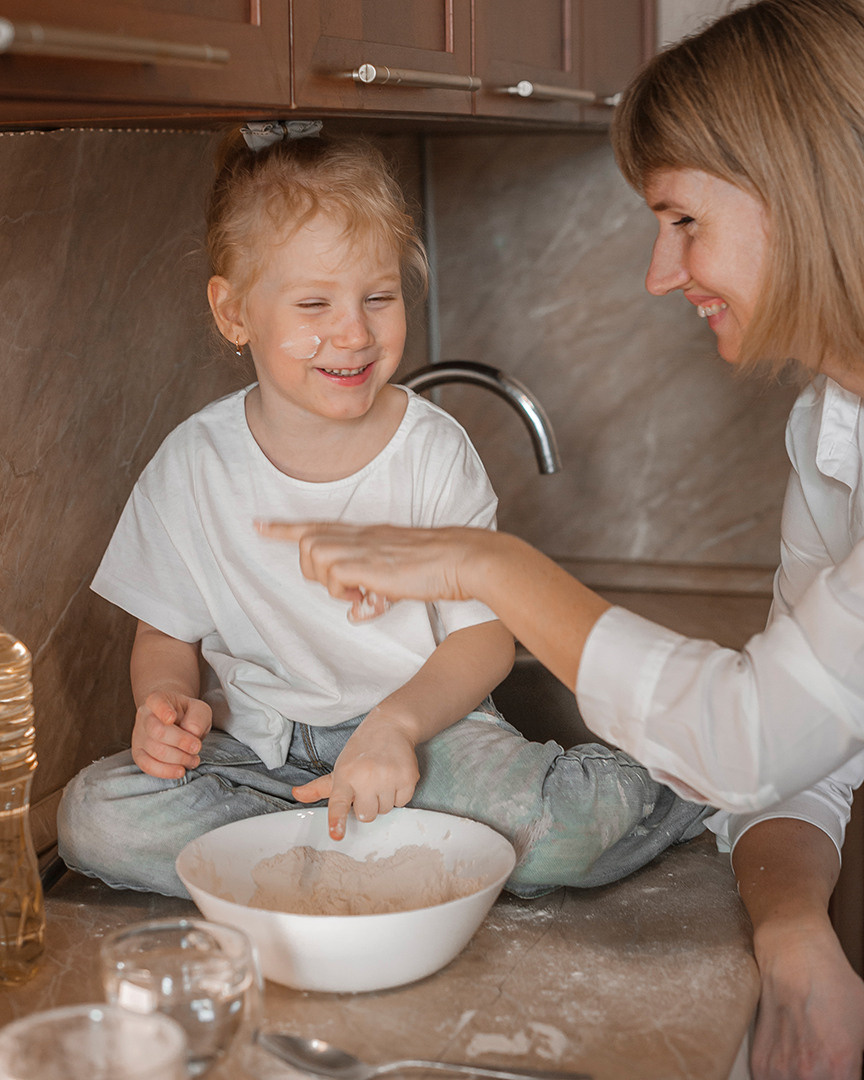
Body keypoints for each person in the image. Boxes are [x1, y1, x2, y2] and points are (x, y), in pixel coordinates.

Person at [257, 3, 864, 1076]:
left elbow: (744, 742)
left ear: (802, 190)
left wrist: (485, 565)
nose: (658, 272)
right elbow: (795, 767)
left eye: (681, 219)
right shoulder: (832, 424)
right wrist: (793, 931)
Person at [56, 122, 709, 903]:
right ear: (234, 314)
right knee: (96, 818)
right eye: (314, 303)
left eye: (378, 296)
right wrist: (163, 705)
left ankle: (689, 774)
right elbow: (165, 634)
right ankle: (382, 853)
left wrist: (394, 727)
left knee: (555, 833)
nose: (355, 332)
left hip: (426, 735)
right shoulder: (193, 464)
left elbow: (483, 640)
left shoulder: (430, 451)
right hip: (256, 750)